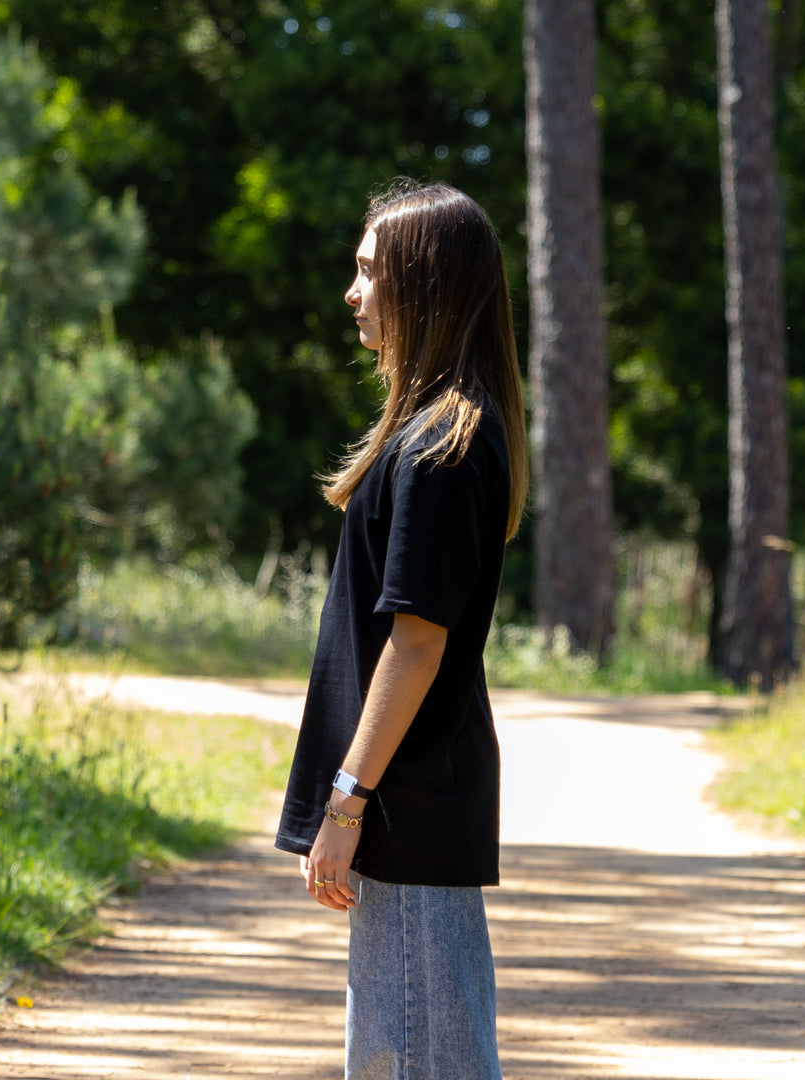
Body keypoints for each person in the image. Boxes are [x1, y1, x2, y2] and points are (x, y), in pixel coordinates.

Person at [274, 179, 528, 1080]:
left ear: (422, 283)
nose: (352, 292)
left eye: (369, 271)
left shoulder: (441, 450)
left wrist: (346, 802)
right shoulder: (433, 436)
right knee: (409, 1052)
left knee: (413, 1058)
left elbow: (418, 644)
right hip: (409, 804)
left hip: (405, 803)